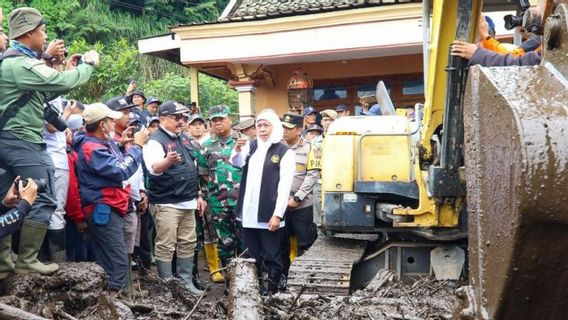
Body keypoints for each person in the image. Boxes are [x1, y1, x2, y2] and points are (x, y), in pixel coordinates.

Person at [0, 7, 99, 276]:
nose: (45, 36)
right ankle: (27, 260)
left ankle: (3, 264)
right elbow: (62, 82)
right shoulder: (20, 64)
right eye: (42, 30)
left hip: (8, 139)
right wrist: (87, 65)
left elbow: (35, 104)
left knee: (5, 198)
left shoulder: (12, 62)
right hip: (23, 141)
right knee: (42, 194)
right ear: (29, 32)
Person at [74, 102, 148, 298]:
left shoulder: (102, 144)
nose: (115, 124)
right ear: (102, 125)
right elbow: (119, 170)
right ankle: (111, 304)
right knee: (118, 261)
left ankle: (110, 302)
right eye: (111, 121)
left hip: (111, 207)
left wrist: (123, 146)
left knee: (111, 259)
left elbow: (115, 161)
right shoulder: (92, 148)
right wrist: (137, 146)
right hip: (103, 209)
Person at [142, 101, 206, 296]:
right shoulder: (155, 141)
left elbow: (192, 169)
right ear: (163, 119)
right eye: (176, 118)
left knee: (188, 242)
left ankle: (186, 282)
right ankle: (167, 285)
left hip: (188, 201)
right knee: (166, 244)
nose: (181, 122)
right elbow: (153, 168)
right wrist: (167, 162)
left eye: (182, 118)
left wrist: (199, 195)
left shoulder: (184, 139)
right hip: (166, 203)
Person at [231, 109, 295, 294]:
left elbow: (284, 187)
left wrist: (277, 214)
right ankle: (257, 290)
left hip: (269, 215)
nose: (262, 129)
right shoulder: (252, 146)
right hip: (249, 214)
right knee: (253, 256)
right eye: (258, 125)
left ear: (275, 127)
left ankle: (273, 292)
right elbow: (236, 162)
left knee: (272, 255)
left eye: (266, 125)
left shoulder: (284, 152)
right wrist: (236, 149)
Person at [197, 105, 245, 285]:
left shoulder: (243, 142)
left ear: (229, 119)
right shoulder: (206, 146)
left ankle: (245, 280)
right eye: (214, 120)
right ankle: (229, 281)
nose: (217, 123)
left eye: (221, 119)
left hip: (242, 201)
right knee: (224, 242)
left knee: (244, 240)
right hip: (218, 201)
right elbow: (203, 172)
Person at [280, 113, 319, 290]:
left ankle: (305, 281)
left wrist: (297, 198)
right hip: (280, 205)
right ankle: (284, 278)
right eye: (283, 128)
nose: (284, 132)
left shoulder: (311, 148)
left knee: (305, 243)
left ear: (299, 129)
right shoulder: (277, 148)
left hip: (302, 205)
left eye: (288, 129)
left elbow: (312, 176)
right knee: (281, 244)